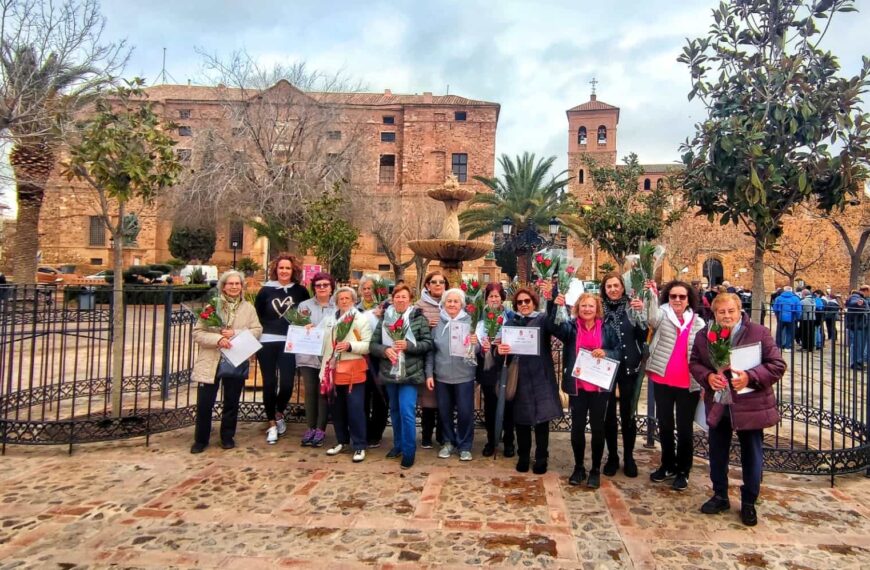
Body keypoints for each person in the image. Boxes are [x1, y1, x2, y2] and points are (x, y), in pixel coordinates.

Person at [690, 293, 786, 526]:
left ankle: (749, 501)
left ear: (739, 310)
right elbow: (694, 363)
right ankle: (720, 494)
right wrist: (708, 377)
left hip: (749, 404)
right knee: (717, 451)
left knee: (751, 453)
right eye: (721, 312)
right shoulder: (705, 336)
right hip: (720, 402)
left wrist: (750, 377)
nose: (726, 316)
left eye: (731, 311)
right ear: (714, 313)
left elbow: (777, 365)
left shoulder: (758, 333)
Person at [550, 290, 623, 488]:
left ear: (597, 308)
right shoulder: (571, 328)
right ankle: (579, 466)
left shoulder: (607, 329)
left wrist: (606, 352)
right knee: (578, 428)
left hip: (599, 388)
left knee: (598, 429)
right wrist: (553, 304)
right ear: (577, 308)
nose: (587, 309)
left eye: (591, 306)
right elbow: (553, 327)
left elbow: (618, 351)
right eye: (583, 306)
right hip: (578, 387)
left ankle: (595, 470)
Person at [191, 270, 262, 453]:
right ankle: (201, 439)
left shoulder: (248, 308)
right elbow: (198, 333)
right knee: (205, 402)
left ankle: (227, 436)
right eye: (230, 284)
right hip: (212, 359)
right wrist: (217, 340)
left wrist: (236, 334)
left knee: (231, 401)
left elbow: (257, 330)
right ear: (223, 286)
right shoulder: (211, 307)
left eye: (237, 284)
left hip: (235, 358)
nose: (234, 287)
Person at [643, 280, 706, 491]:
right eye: (673, 296)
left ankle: (683, 469)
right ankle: (667, 464)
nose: (677, 300)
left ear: (689, 299)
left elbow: (706, 354)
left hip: (689, 383)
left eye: (682, 296)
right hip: (663, 379)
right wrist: (651, 294)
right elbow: (649, 318)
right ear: (667, 298)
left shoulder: (698, 323)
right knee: (666, 425)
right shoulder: (662, 315)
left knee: (685, 428)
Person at [497, 287, 562, 475]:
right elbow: (503, 350)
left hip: (541, 373)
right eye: (520, 302)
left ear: (534, 302)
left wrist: (553, 298)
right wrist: (499, 350)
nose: (524, 305)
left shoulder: (542, 320)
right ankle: (523, 455)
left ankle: (542, 457)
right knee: (522, 420)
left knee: (542, 420)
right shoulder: (511, 322)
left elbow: (555, 325)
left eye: (527, 301)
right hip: (520, 376)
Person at [370, 284, 433, 469]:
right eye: (397, 296)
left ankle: (408, 451)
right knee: (395, 411)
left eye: (404, 297)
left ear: (410, 299)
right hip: (390, 372)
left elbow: (427, 343)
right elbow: (373, 344)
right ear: (392, 299)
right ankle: (397, 445)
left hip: (410, 373)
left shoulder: (418, 318)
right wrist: (385, 350)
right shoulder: (385, 318)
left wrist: (408, 346)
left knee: (407, 412)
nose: (400, 300)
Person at [254, 254, 310, 445]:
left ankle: (278, 413)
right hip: (267, 341)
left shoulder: (301, 291)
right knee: (269, 382)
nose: (284, 271)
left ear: (293, 270)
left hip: (290, 342)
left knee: (287, 383)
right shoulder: (265, 291)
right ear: (275, 270)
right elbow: (258, 316)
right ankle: (271, 424)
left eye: (288, 268)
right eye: (281, 268)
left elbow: (305, 314)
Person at [598, 272, 648, 478]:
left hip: (628, 367)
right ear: (604, 289)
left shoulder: (631, 307)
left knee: (628, 415)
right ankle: (612, 456)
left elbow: (642, 335)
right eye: (609, 286)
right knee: (608, 415)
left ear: (623, 287)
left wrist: (641, 316)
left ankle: (629, 457)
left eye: (616, 285)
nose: (612, 289)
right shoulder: (599, 309)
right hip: (605, 366)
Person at [425, 288, 479, 461]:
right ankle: (448, 442)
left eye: (456, 301)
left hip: (464, 375)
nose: (452, 304)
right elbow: (431, 352)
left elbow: (477, 350)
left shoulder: (471, 322)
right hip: (442, 375)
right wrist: (429, 374)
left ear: (462, 304)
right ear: (444, 303)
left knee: (465, 412)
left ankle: (465, 445)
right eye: (449, 301)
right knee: (444, 412)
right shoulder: (436, 324)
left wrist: (475, 344)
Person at [320, 287, 372, 462]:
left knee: (355, 407)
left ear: (353, 300)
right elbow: (325, 344)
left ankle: (359, 444)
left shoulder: (360, 319)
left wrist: (350, 346)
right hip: (334, 369)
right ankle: (342, 440)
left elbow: (367, 344)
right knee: (337, 408)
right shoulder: (330, 319)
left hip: (353, 369)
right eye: (341, 298)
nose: (344, 301)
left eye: (347, 298)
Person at [296, 272, 337, 447]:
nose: (322, 288)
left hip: (328, 357)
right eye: (318, 285)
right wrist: (303, 327)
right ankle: (310, 427)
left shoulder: (337, 308)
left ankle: (321, 429)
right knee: (310, 392)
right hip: (308, 355)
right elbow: (295, 328)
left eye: (325, 285)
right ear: (313, 287)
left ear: (331, 288)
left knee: (323, 393)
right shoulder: (304, 306)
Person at [477, 283, 515, 457]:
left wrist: (504, 343)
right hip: (487, 366)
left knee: (508, 404)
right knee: (490, 405)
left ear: (502, 298)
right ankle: (491, 440)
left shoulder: (510, 316)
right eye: (491, 296)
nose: (494, 299)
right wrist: (482, 346)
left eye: (497, 296)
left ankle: (508, 441)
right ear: (486, 298)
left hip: (506, 365)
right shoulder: (479, 316)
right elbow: (472, 340)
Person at [415, 271, 448, 449]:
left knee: (444, 399)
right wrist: (427, 326)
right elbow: (413, 330)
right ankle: (427, 434)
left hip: (446, 358)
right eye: (434, 282)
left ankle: (443, 434)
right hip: (427, 357)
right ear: (427, 285)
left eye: (441, 282)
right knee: (428, 400)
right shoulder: (419, 306)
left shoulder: (451, 303)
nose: (438, 285)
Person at [357, 276, 389, 447]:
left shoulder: (385, 307)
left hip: (380, 359)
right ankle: (363, 430)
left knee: (380, 396)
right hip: (361, 358)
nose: (368, 291)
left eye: (371, 288)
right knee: (361, 396)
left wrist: (384, 312)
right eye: (365, 288)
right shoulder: (356, 309)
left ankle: (376, 432)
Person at [845, 286, 870, 370]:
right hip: (857, 325)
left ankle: (859, 361)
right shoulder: (856, 297)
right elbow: (853, 304)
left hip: (860, 325)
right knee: (857, 344)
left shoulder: (861, 298)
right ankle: (855, 363)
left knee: (860, 344)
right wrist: (860, 304)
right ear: (866, 291)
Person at [771, 286, 801, 351]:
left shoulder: (778, 298)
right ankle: (788, 347)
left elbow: (775, 308)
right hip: (792, 317)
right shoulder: (796, 299)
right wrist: (798, 317)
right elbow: (798, 310)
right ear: (791, 290)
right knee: (790, 333)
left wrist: (777, 315)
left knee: (779, 332)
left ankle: (778, 346)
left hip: (781, 317)